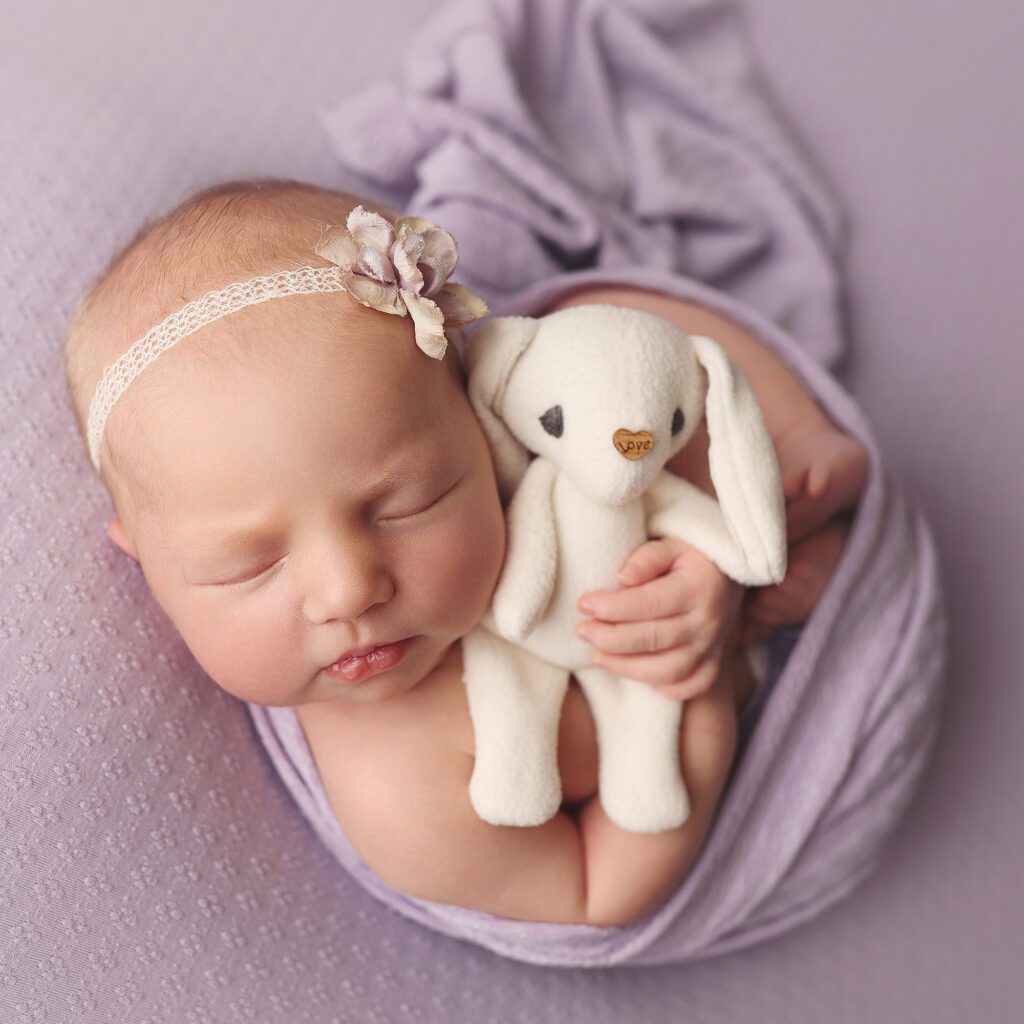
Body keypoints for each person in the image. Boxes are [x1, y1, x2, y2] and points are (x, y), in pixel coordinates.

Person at [63, 179, 868, 927]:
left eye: (406, 504)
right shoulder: (397, 795)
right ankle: (781, 604)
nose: (350, 590)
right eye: (250, 564)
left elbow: (622, 370)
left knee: (607, 323)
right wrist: (705, 675)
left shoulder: (506, 453)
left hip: (635, 507)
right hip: (681, 707)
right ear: (145, 562)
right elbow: (597, 894)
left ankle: (789, 456)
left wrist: (698, 555)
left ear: (475, 417)